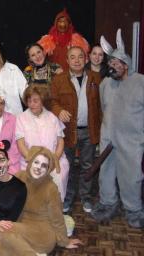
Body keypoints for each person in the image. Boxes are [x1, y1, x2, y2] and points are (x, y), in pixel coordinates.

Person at [91, 29, 144, 228]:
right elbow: (105, 109)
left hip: (131, 140)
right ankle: (108, 203)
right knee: (106, 172)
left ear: (126, 64)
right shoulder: (105, 84)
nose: (112, 66)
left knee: (131, 175)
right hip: (108, 139)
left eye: (116, 63)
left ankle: (133, 209)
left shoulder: (140, 82)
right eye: (110, 63)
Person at [0, 146, 83, 255]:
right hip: (20, 230)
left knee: (3, 230)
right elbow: (3, 202)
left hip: (42, 235)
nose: (39, 168)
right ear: (30, 162)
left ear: (48, 169)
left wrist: (64, 242)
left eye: (44, 166)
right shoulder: (20, 176)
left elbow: (57, 219)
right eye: (36, 162)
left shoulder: (50, 188)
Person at [50, 46, 102, 213]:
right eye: (73, 57)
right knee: (68, 166)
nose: (77, 60)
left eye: (80, 57)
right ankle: (68, 196)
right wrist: (59, 111)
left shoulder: (96, 78)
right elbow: (51, 101)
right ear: (67, 60)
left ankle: (86, 197)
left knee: (88, 166)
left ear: (86, 59)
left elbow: (102, 105)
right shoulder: (59, 80)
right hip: (68, 132)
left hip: (90, 130)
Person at [16, 84, 69, 201]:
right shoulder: (21, 118)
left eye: (35, 101)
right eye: (29, 101)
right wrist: (34, 161)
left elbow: (60, 141)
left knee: (58, 177)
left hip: (54, 160)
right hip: (30, 161)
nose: (31, 104)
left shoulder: (52, 117)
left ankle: (57, 208)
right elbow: (21, 144)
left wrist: (54, 160)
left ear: (42, 100)